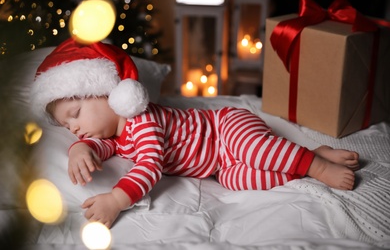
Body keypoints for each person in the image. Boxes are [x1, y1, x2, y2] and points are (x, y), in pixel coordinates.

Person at [30, 38, 359, 228]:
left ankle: (316, 165)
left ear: (111, 93)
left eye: (75, 114)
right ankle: (304, 161)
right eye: (66, 126)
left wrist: (117, 200)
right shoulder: (114, 138)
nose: (73, 128)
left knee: (253, 151)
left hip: (225, 128)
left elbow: (150, 165)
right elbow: (97, 147)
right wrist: (78, 150)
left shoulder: (141, 121)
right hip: (217, 165)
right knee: (239, 178)